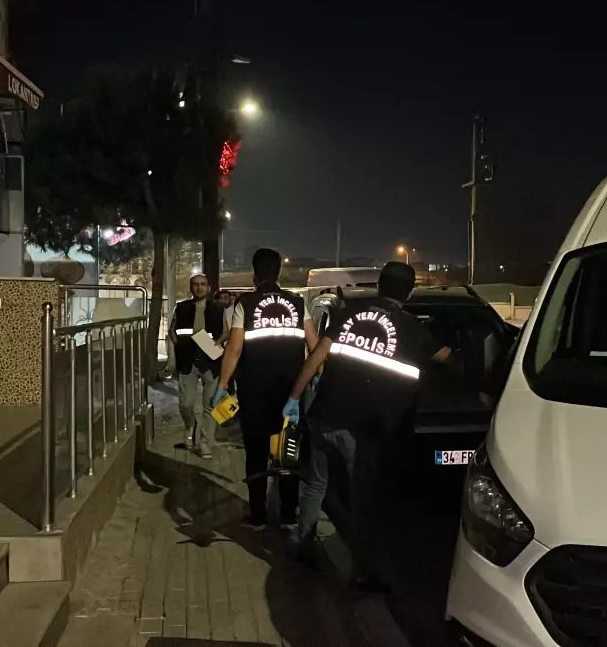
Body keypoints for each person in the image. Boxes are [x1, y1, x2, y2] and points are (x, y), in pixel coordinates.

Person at [283, 262, 454, 592]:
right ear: (409, 292)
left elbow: (316, 356)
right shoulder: (410, 327)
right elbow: (449, 358)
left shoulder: (348, 313)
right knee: (362, 501)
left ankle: (303, 545)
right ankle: (362, 573)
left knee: (316, 484)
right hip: (359, 430)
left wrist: (294, 397)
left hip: (324, 415)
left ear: (379, 285)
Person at [214, 249, 317, 530]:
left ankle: (258, 515)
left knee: (257, 453)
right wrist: (316, 377)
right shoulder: (297, 303)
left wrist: (222, 385)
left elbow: (234, 349)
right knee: (288, 452)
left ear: (254, 275)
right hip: (291, 393)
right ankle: (288, 515)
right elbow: (314, 344)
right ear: (278, 272)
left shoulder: (245, 303)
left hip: (255, 392)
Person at [168, 275, 225, 458]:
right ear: (191, 287)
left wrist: (217, 344)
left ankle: (206, 443)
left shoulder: (218, 309)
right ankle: (191, 427)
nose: (199, 288)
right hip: (188, 360)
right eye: (195, 285)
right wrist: (178, 347)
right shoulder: (182, 308)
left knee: (210, 406)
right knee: (186, 403)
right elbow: (172, 330)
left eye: (203, 284)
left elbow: (226, 332)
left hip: (211, 360)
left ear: (208, 288)